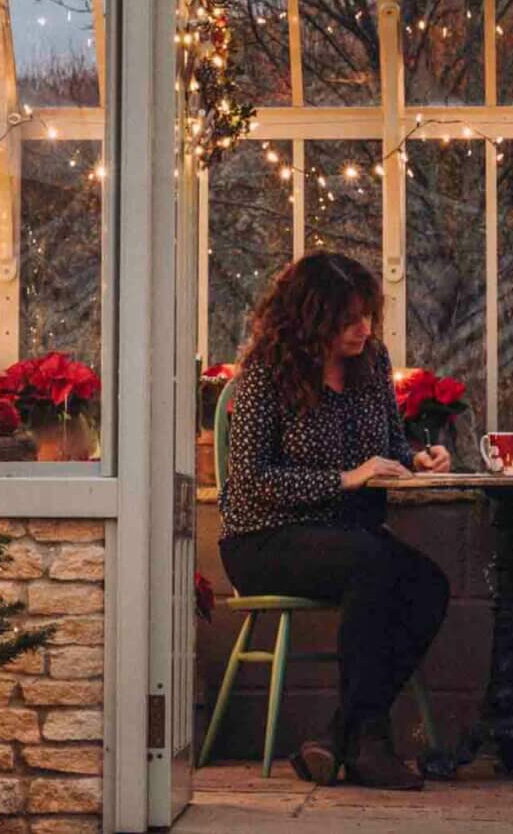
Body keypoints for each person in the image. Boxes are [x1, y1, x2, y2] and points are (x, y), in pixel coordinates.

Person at [217, 252, 452, 789]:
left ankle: (339, 736)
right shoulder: (266, 378)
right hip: (264, 539)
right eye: (348, 320)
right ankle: (367, 742)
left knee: (429, 585)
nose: (363, 329)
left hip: (347, 537)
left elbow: (389, 446)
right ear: (310, 320)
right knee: (373, 565)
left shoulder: (372, 364)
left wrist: (417, 458)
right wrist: (344, 478)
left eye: (368, 315)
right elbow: (251, 483)